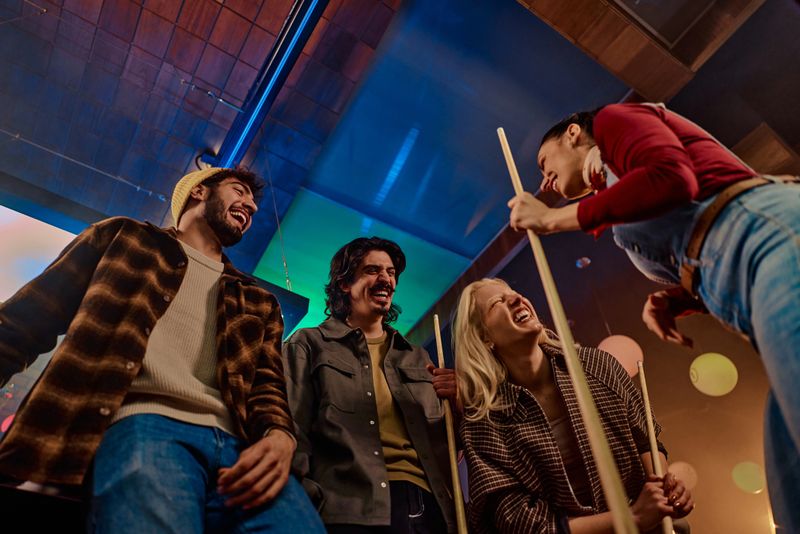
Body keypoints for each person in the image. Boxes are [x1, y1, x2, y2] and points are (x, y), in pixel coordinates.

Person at [506, 102, 799, 530]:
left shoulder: (613, 121)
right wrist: (680, 298)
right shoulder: (615, 187)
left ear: (572, 133)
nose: (543, 179)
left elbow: (672, 177)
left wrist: (552, 219)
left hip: (771, 236)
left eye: (542, 160)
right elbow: (707, 238)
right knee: (788, 476)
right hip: (755, 262)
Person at [0, 167, 324, 533]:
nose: (250, 205)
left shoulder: (258, 300)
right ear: (199, 192)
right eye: (239, 191)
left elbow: (267, 386)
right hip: (143, 423)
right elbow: (23, 323)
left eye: (253, 202)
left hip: (243, 452)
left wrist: (281, 436)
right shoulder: (122, 238)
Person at [453, 278, 693, 533]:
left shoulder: (597, 365)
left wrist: (665, 492)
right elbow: (520, 523)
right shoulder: (484, 421)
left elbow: (646, 442)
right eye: (496, 303)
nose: (515, 299)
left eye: (514, 292)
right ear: (484, 337)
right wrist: (629, 519)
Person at [282, 236, 457, 533]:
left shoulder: (417, 356)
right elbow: (292, 430)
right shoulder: (308, 343)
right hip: (348, 508)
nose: (385, 279)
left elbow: (450, 445)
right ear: (344, 285)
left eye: (390, 273)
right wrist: (305, 506)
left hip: (430, 509)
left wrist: (461, 401)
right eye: (372, 270)